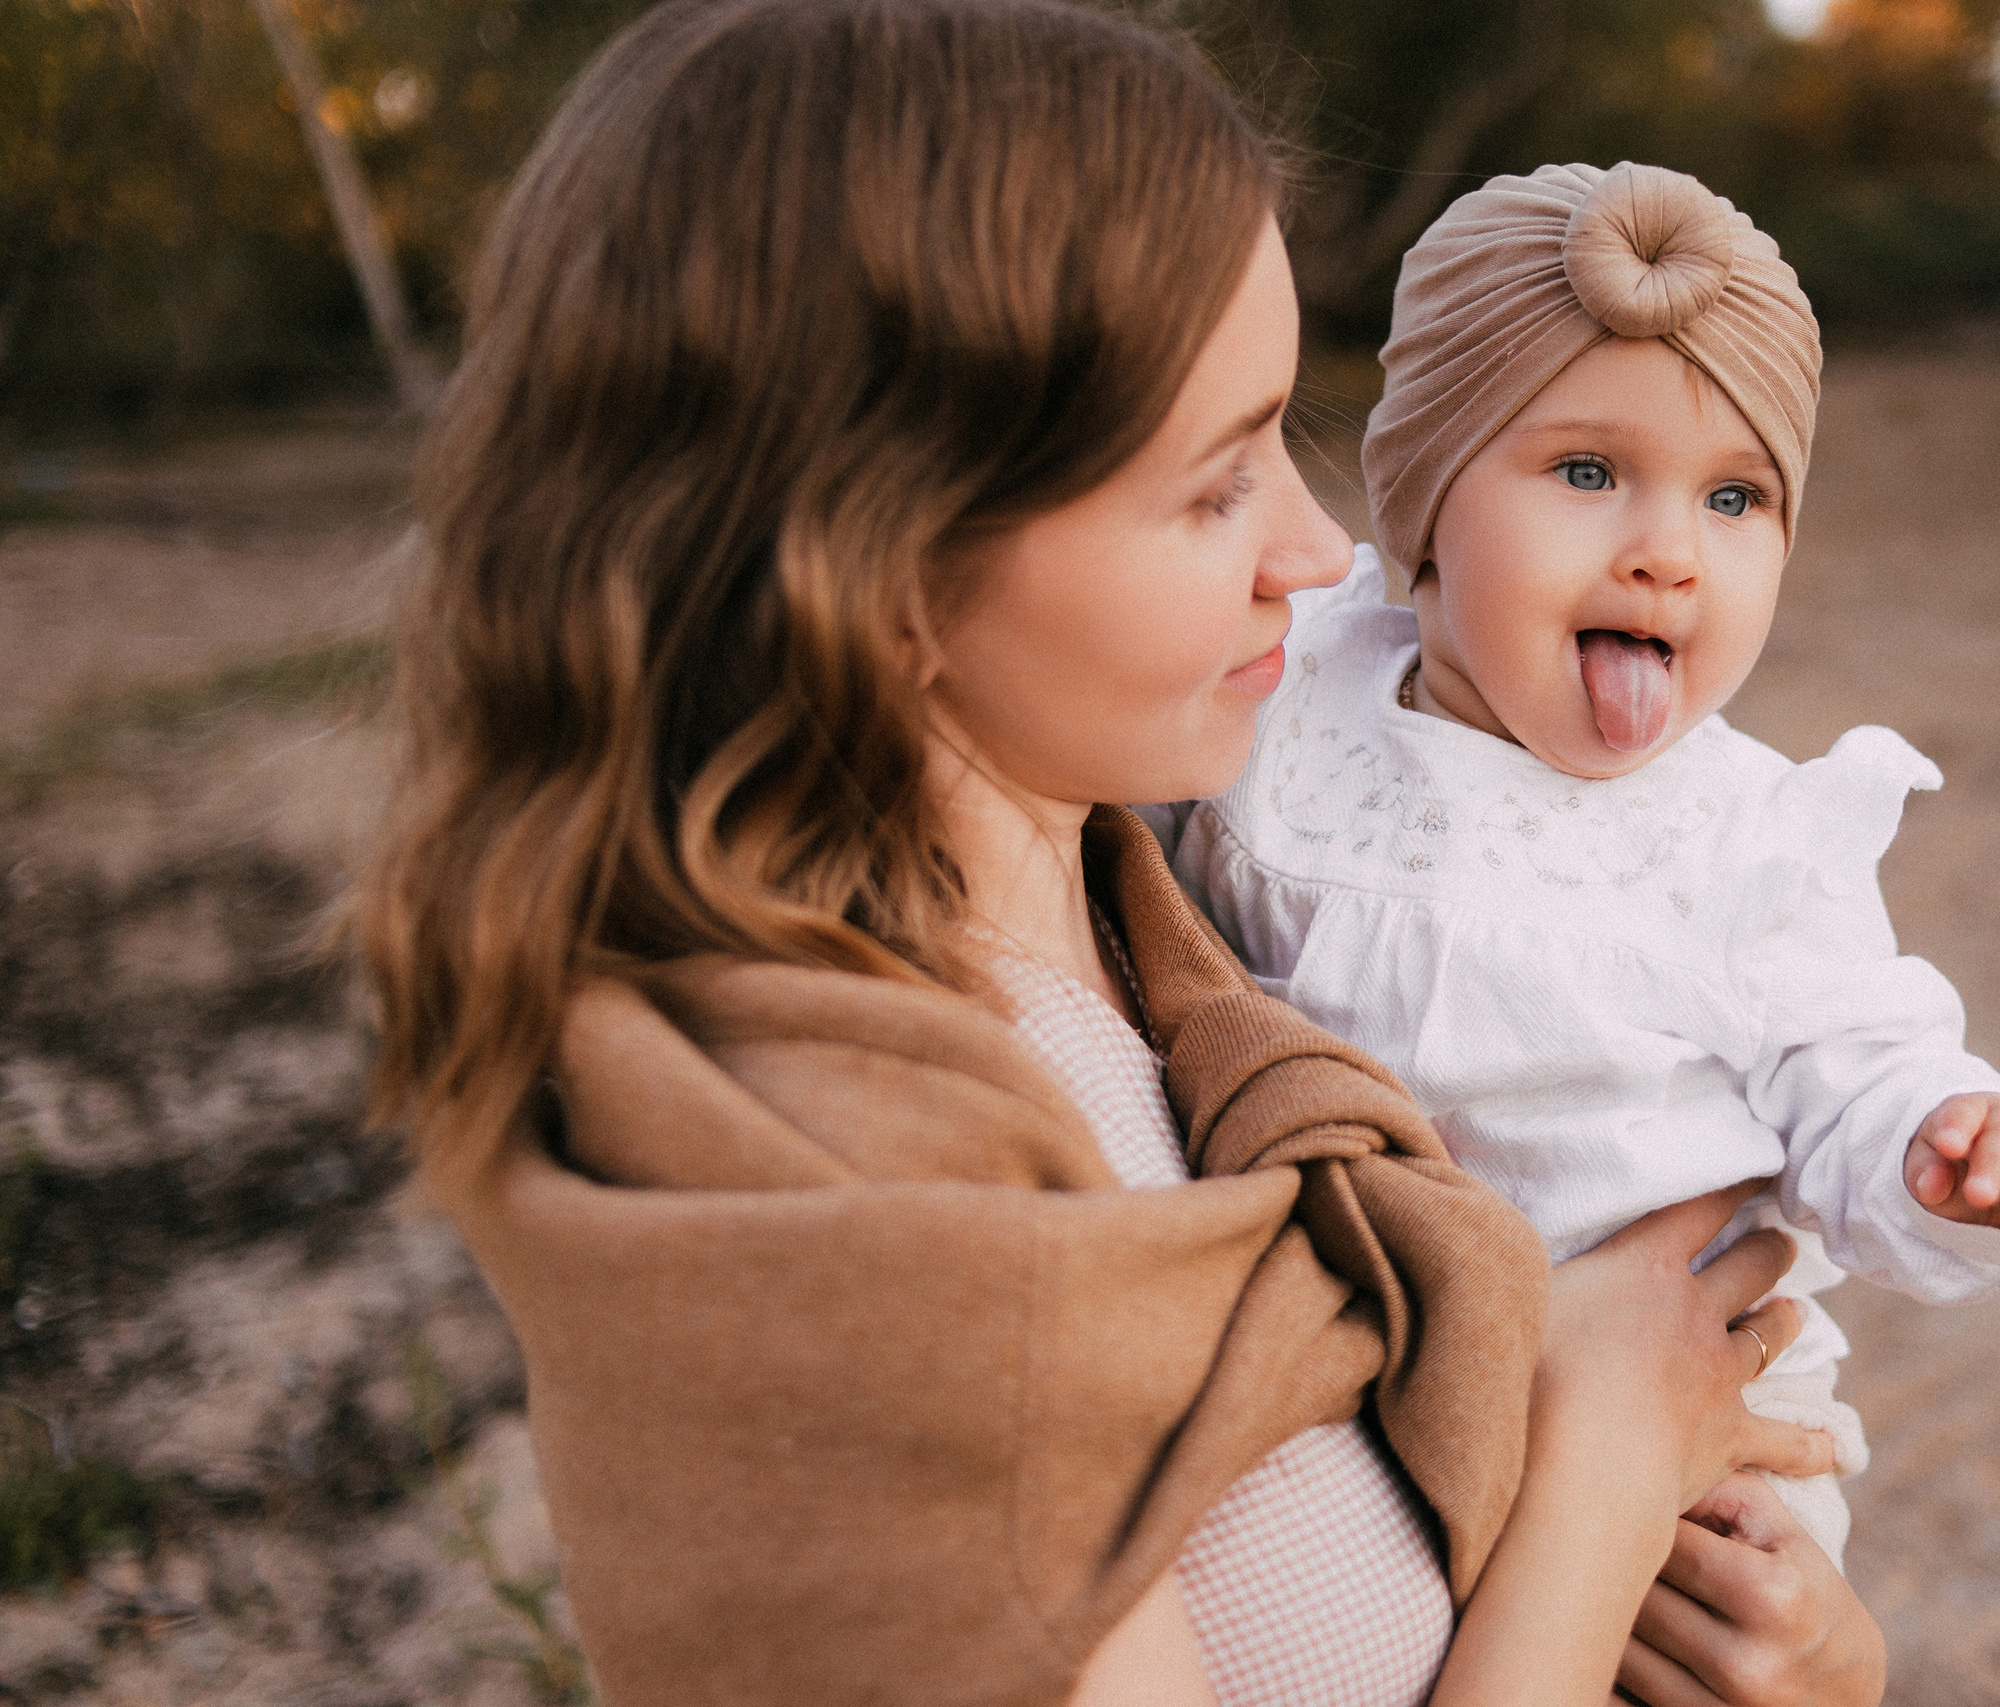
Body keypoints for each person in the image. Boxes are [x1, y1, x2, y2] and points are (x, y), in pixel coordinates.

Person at [356, 4, 1889, 1703]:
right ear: (879, 551)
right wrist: (1598, 1464)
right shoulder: (842, 1242)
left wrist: (1809, 1658)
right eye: (1216, 483)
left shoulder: (1189, 917)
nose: (1319, 555)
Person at [1173, 162, 2000, 1569]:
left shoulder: (1751, 840)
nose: (1669, 553)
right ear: (1424, 497)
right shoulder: (1290, 695)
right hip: (1359, 1373)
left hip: (1680, 1438)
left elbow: (1855, 1069)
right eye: (1589, 472)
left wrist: (1942, 1146)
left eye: (1737, 498)